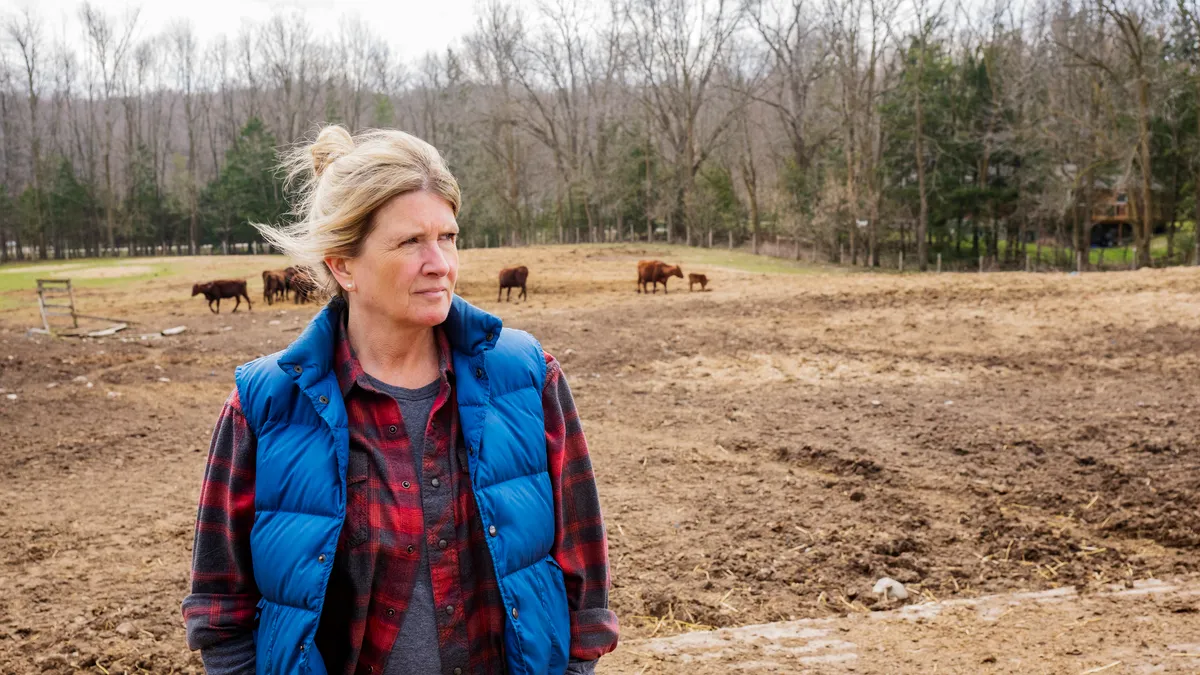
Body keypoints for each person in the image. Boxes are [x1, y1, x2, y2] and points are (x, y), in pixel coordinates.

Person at [182, 125, 619, 675]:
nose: (440, 263)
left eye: (449, 237)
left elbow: (585, 579)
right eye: (411, 242)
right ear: (343, 265)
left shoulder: (527, 378)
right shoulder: (266, 405)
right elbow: (220, 607)